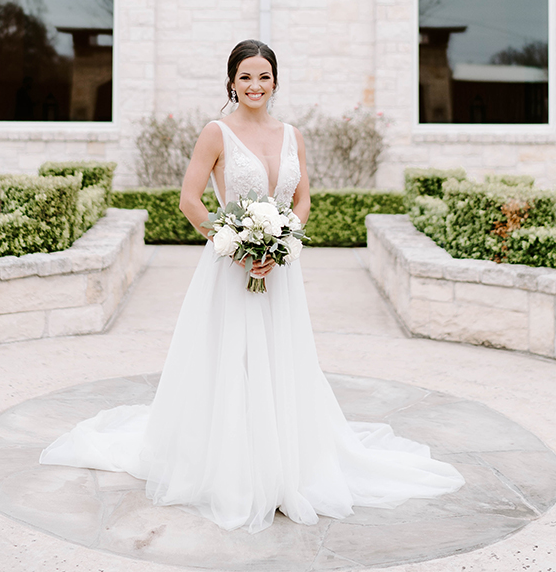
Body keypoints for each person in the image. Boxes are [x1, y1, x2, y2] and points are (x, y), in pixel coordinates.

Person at [40, 39, 464, 533]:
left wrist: (282, 241)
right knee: (231, 359)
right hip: (228, 268)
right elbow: (189, 200)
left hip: (280, 272)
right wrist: (234, 243)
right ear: (231, 83)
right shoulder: (215, 133)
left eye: (263, 76)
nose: (255, 86)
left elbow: (302, 198)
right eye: (245, 77)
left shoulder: (292, 135)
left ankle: (285, 462)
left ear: (275, 81)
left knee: (281, 359)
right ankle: (231, 465)